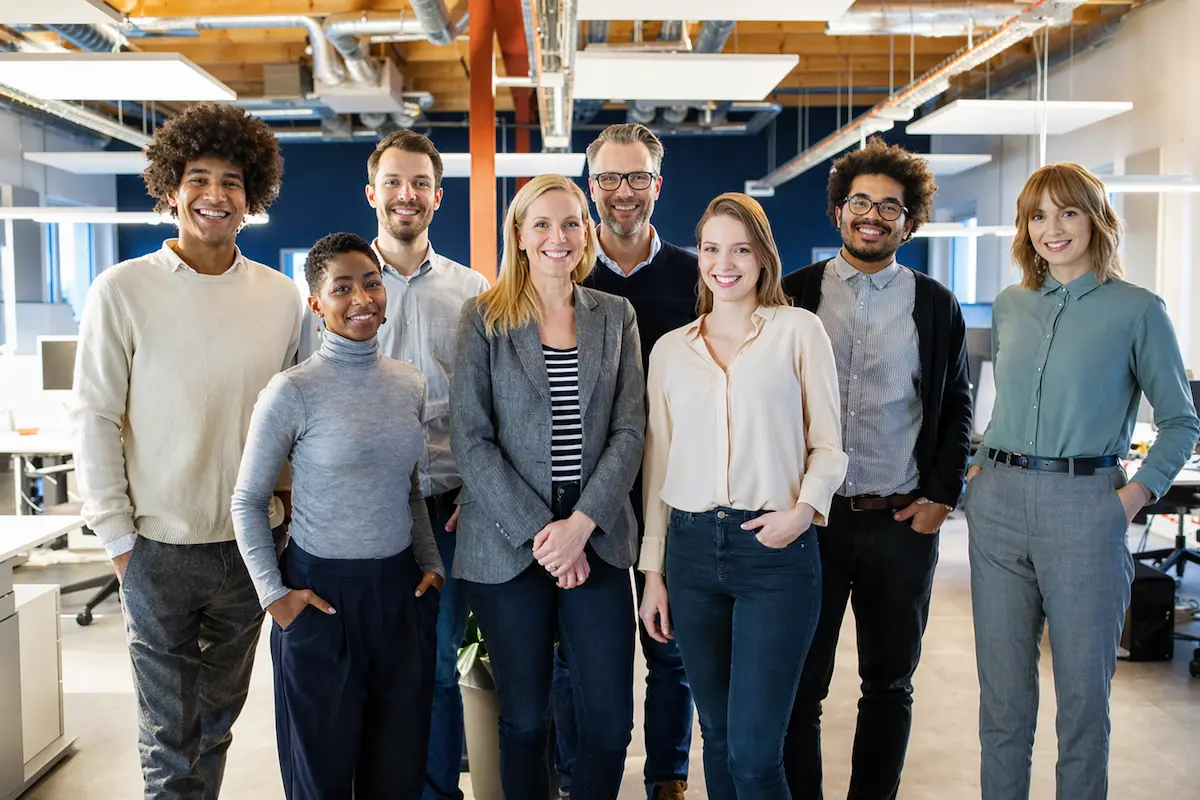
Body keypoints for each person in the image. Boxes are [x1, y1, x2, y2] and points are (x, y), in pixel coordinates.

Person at [71, 102, 304, 799]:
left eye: (232, 181)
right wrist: (118, 539)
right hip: (156, 548)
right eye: (198, 177)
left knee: (218, 722)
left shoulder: (280, 296)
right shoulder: (122, 290)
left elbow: (290, 411)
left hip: (248, 547)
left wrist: (285, 502)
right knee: (169, 735)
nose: (215, 194)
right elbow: (95, 416)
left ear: (251, 195)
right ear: (171, 187)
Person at [966, 162, 1200, 800]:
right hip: (999, 504)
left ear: (1096, 218)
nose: (1052, 228)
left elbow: (1182, 420)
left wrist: (1131, 497)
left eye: (1067, 211)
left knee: (1082, 707)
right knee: (1003, 706)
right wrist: (978, 470)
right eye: (1037, 215)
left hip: (1086, 508)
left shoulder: (1138, 310)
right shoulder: (1012, 306)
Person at [297, 130, 490, 799]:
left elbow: (483, 403)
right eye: (394, 182)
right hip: (357, 518)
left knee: (434, 671)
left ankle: (434, 792)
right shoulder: (332, 290)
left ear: (438, 195)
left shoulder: (472, 292)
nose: (406, 195)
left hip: (446, 506)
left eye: (420, 183)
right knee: (364, 671)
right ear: (371, 192)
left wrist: (481, 487)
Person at [780, 138, 973, 799]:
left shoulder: (935, 304)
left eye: (890, 206)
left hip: (899, 522)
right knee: (800, 686)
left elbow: (957, 411)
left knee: (888, 684)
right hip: (814, 522)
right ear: (838, 211)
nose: (873, 215)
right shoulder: (793, 295)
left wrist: (940, 498)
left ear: (909, 223)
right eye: (860, 201)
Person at [639, 192, 848, 798]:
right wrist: (654, 574)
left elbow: (829, 444)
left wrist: (803, 512)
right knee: (720, 738)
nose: (723, 263)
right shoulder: (671, 350)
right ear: (698, 256)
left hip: (775, 552)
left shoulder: (798, 331)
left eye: (740, 249)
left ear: (762, 258)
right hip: (692, 551)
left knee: (757, 754)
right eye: (710, 249)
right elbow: (658, 464)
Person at [450, 174, 645, 800]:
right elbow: (471, 437)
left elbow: (630, 430)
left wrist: (580, 525)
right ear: (521, 236)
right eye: (542, 224)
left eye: (570, 223)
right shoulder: (483, 318)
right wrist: (545, 535)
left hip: (599, 538)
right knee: (524, 719)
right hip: (510, 543)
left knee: (611, 724)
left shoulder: (615, 316)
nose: (557, 236)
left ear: (586, 233)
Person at [231, 232, 444, 799]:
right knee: (320, 779)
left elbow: (411, 490)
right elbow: (248, 500)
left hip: (400, 597)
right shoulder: (292, 391)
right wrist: (274, 596)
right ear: (316, 304)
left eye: (371, 282)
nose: (362, 298)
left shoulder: (407, 384)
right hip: (319, 599)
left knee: (397, 775)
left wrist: (430, 565)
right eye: (342, 287)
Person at [550, 121, 698, 800]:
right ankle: (576, 775)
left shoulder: (699, 275)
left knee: (672, 650)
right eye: (608, 177)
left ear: (657, 185)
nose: (623, 191)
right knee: (583, 654)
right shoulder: (563, 274)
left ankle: (666, 776)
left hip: (676, 487)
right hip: (586, 499)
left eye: (637, 176)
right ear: (590, 186)